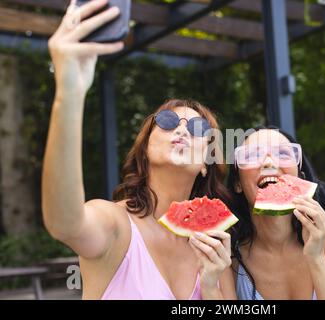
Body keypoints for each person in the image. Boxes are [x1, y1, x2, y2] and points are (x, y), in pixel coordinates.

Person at [42, 0, 235, 300]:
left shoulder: (216, 246)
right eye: (168, 121)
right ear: (144, 148)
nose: (182, 129)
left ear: (205, 163)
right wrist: (69, 94)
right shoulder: (116, 225)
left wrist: (210, 287)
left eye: (198, 129)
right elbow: (64, 223)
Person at [227, 126, 325, 300]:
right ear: (238, 183)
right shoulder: (230, 250)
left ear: (299, 175)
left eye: (282, 154)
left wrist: (316, 257)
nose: (268, 162)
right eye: (252, 155)